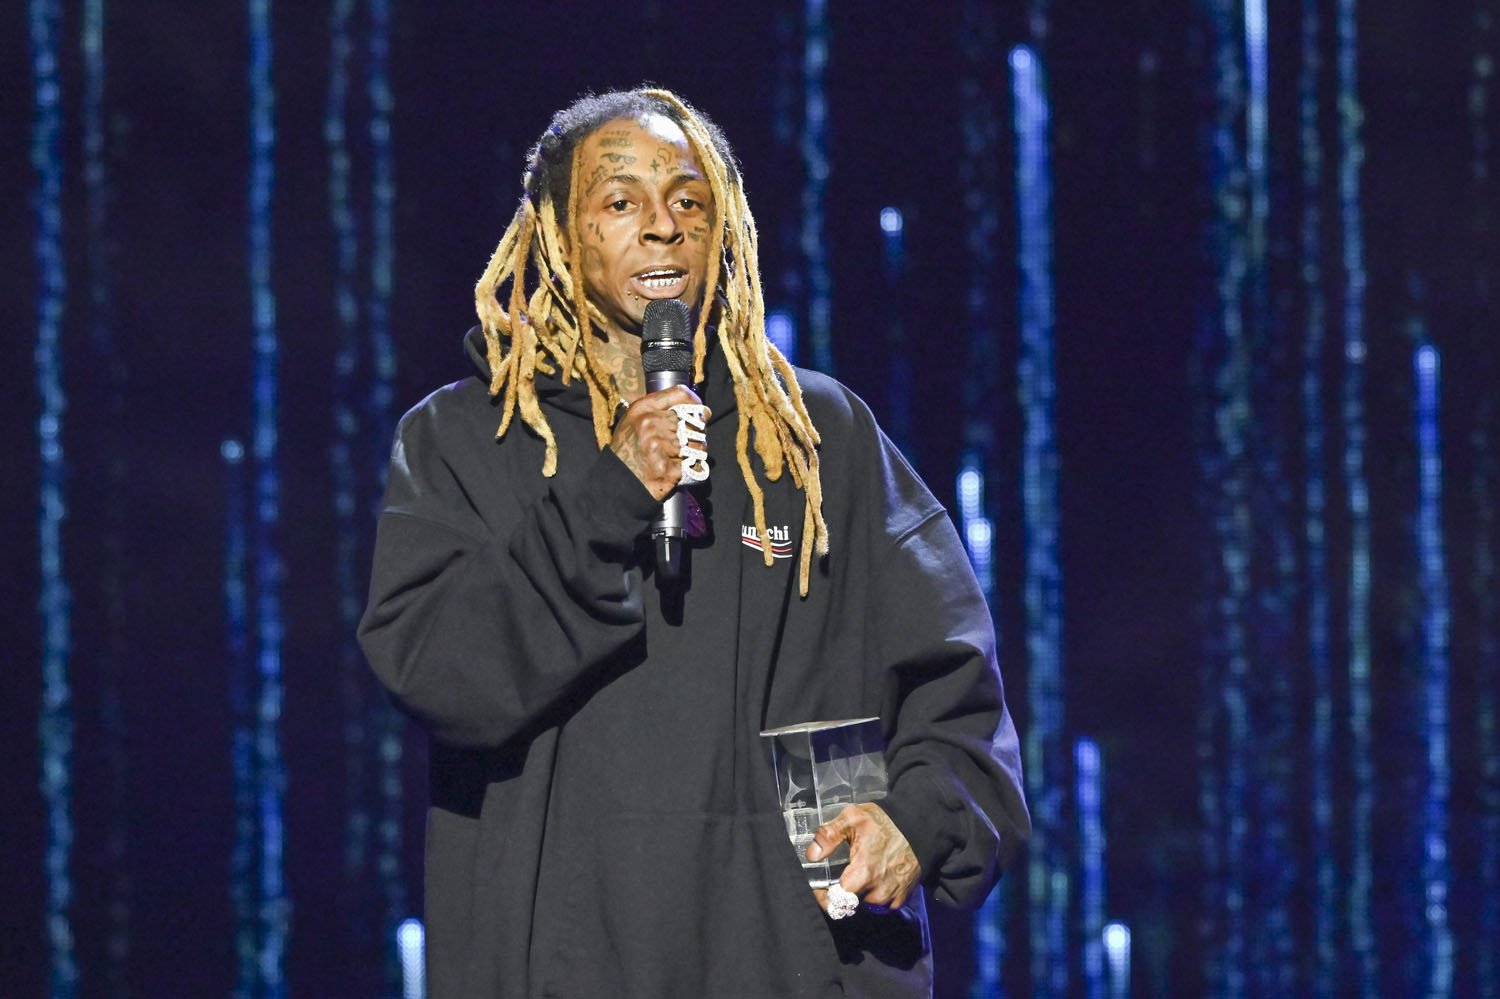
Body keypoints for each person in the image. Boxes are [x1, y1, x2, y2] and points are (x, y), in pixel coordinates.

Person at [358, 87, 1029, 998]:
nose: (663, 226)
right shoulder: (465, 441)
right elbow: (440, 671)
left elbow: (959, 688)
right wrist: (611, 496)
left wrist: (918, 821)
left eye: (689, 200)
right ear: (556, 234)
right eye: (620, 200)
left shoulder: (812, 437)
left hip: (792, 963)